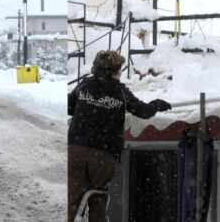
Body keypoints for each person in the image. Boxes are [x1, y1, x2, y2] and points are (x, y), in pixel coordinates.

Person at [68, 50, 171, 222]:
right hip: (103, 152)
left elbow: (70, 106)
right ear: (114, 71)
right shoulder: (120, 92)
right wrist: (157, 104)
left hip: (75, 148)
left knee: (73, 197)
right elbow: (142, 111)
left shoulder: (84, 85)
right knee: (98, 195)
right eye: (120, 70)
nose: (121, 74)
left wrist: (88, 109)